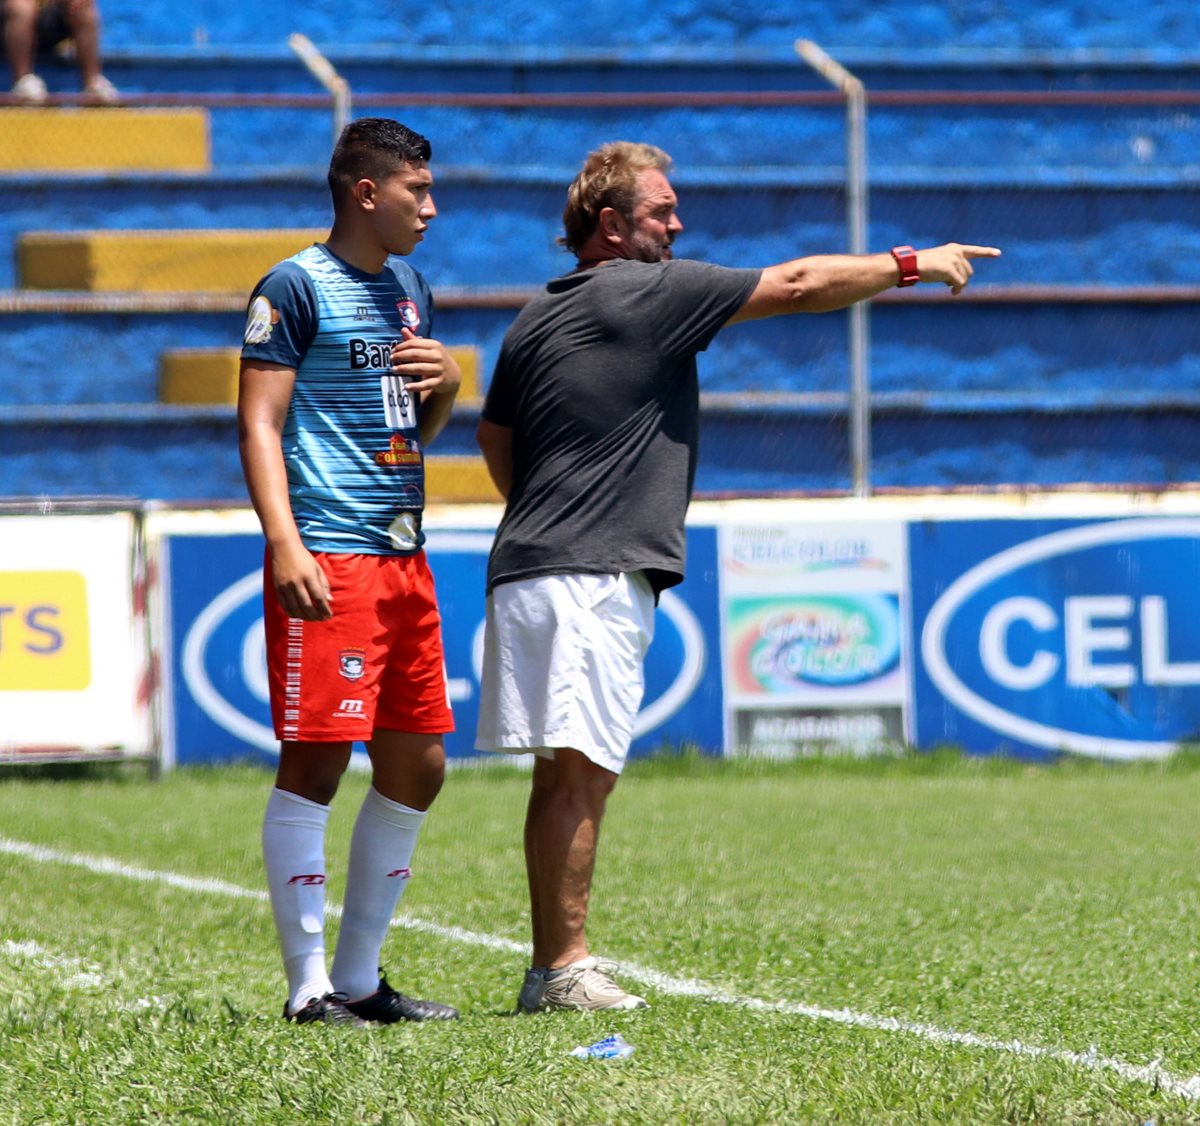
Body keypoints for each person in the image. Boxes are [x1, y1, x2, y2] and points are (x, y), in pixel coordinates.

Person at [474, 140, 1001, 1013]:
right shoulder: (645, 289)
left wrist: (549, 509)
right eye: (661, 211)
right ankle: (562, 970)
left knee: (568, 773)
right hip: (587, 574)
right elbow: (795, 284)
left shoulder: (536, 313)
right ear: (611, 225)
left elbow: (496, 439)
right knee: (578, 774)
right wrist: (911, 262)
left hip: (537, 564)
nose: (678, 224)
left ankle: (553, 966)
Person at [239, 117, 462, 1027]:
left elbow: (414, 428)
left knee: (420, 762)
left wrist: (445, 388)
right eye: (419, 191)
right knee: (319, 761)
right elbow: (259, 422)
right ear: (367, 193)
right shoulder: (294, 286)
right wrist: (285, 541)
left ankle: (362, 981)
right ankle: (306, 989)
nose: (432, 210)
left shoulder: (410, 287)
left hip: (405, 555)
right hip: (329, 552)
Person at [3, 0, 118, 104]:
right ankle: (22, 81)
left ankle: (93, 84)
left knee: (83, 4)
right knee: (20, 6)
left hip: (48, 14)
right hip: (9, 14)